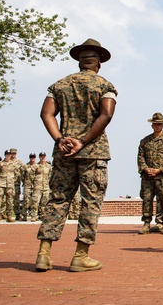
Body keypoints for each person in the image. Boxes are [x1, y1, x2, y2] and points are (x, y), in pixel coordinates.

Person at [35, 38, 117, 272]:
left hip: (64, 153)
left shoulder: (59, 85)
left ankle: (44, 253)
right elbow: (106, 115)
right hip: (93, 152)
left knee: (58, 200)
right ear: (99, 62)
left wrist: (60, 139)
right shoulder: (105, 86)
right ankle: (80, 256)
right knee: (90, 202)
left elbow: (46, 114)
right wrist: (83, 141)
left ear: (80, 62)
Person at [138, 112, 163, 235]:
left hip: (162, 176)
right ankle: (146, 223)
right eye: (155, 124)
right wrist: (145, 168)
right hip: (148, 176)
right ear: (152, 125)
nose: (157, 126)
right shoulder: (145, 141)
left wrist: (160, 170)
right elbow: (140, 157)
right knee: (147, 200)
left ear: (162, 125)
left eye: (160, 124)